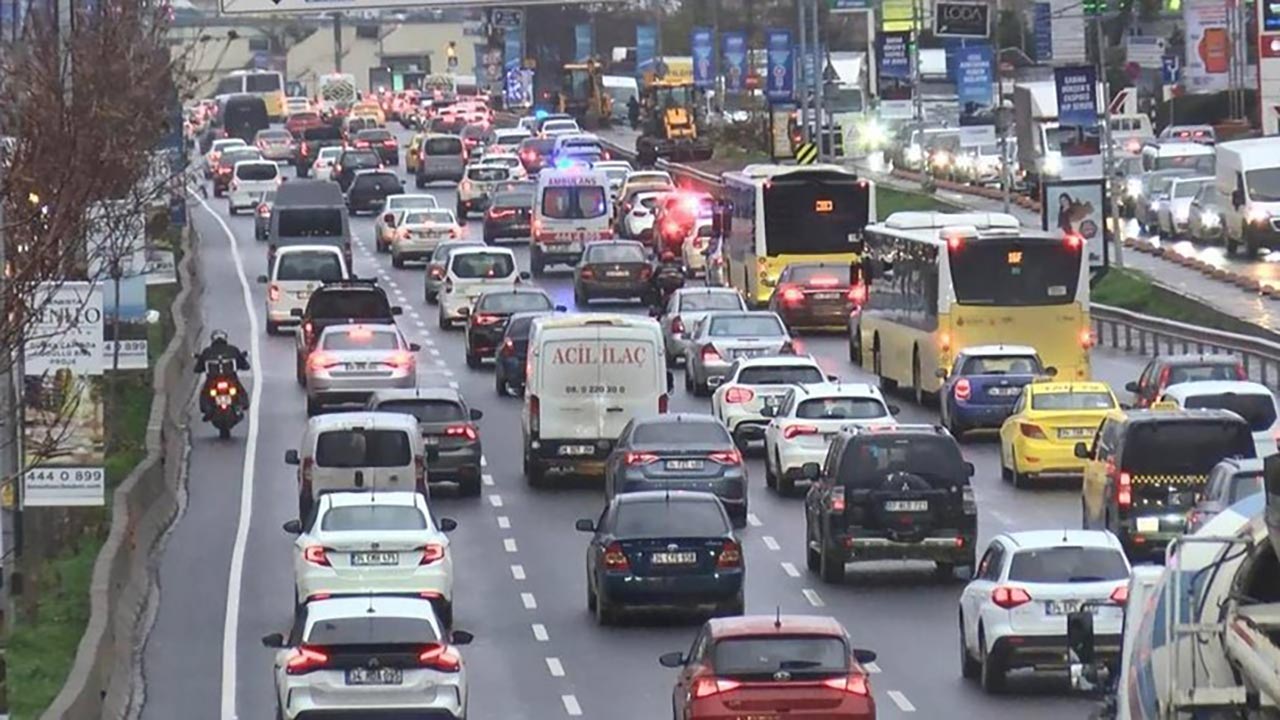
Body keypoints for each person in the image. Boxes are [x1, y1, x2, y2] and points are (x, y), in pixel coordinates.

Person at [194, 329, 250, 420]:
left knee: (205, 393)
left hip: (213, 380)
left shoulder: (207, 352)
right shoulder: (233, 349)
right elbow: (244, 365)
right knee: (240, 390)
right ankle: (239, 405)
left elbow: (198, 368)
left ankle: (209, 409)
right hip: (229, 379)